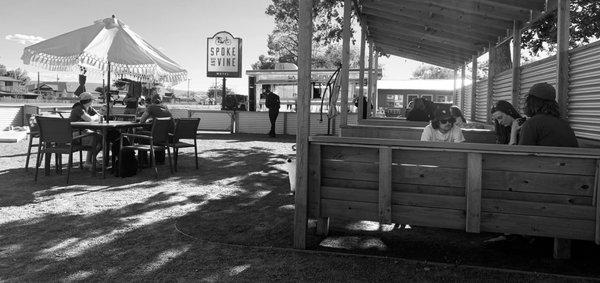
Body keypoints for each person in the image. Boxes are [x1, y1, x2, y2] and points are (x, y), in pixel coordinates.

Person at [519, 82, 578, 147]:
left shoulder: (531, 124)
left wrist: (513, 136)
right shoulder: (564, 124)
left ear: (531, 102)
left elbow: (521, 155)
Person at [69, 92, 102, 169]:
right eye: (92, 100)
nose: (92, 102)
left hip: (83, 132)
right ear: (89, 101)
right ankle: (88, 162)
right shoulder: (78, 108)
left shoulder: (89, 108)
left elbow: (100, 116)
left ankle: (90, 161)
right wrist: (95, 117)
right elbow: (89, 119)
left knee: (101, 138)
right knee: (97, 138)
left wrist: (95, 117)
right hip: (75, 134)